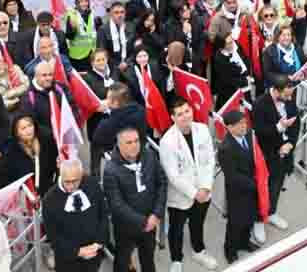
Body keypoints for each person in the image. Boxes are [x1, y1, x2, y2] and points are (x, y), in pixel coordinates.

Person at [157, 98, 219, 271]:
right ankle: (176, 259)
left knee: (198, 223)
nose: (184, 116)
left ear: (192, 110)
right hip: (180, 196)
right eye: (179, 114)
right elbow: (173, 175)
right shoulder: (167, 141)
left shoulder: (203, 130)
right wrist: (194, 193)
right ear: (173, 118)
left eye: (187, 111)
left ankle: (199, 251)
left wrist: (206, 187)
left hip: (204, 190)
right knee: (176, 229)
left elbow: (209, 161)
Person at [101, 126, 167, 272]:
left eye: (136, 141)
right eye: (128, 142)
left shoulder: (149, 156)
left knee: (148, 259)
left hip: (150, 220)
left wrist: (156, 214)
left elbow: (161, 182)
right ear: (119, 144)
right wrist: (144, 222)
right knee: (122, 261)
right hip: (126, 228)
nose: (134, 145)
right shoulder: (111, 170)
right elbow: (116, 204)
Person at [42, 159, 110, 272]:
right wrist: (78, 252)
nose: (71, 186)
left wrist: (98, 244)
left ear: (81, 175)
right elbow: (53, 236)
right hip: (67, 261)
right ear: (61, 176)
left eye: (75, 181)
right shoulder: (49, 200)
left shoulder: (92, 185)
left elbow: (103, 215)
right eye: (67, 181)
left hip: (94, 255)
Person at [250, 75, 297, 231]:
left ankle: (271, 213)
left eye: (291, 94)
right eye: (286, 95)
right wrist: (279, 127)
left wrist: (290, 143)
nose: (290, 98)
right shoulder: (259, 104)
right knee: (262, 187)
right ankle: (258, 220)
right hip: (267, 154)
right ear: (276, 91)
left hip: (285, 152)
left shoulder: (289, 98)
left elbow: (297, 123)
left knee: (277, 184)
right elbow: (259, 131)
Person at [216, 110, 260, 264]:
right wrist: (255, 184)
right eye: (239, 124)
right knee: (235, 222)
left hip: (253, 188)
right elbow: (232, 176)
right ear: (229, 127)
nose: (244, 126)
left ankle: (244, 242)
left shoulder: (248, 135)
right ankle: (230, 249)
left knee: (249, 218)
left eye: (244, 122)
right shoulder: (225, 148)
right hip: (238, 192)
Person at [0, 112, 58, 195]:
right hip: (26, 196)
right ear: (16, 133)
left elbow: (54, 163)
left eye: (30, 125)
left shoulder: (46, 141)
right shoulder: (10, 153)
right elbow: (6, 181)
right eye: (23, 128)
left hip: (49, 191)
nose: (28, 130)